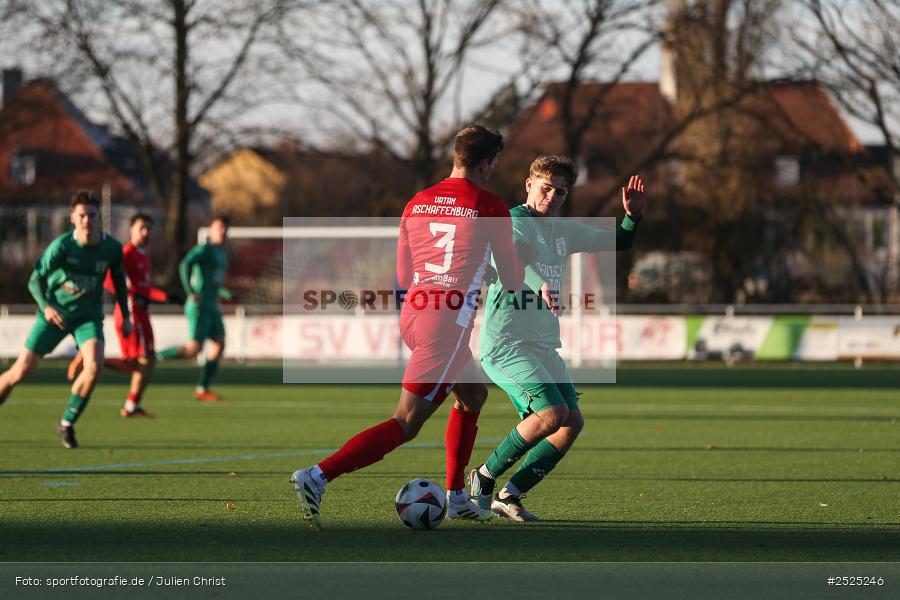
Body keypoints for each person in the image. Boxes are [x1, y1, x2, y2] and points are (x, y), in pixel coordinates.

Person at [290, 125, 525, 529]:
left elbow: (403, 274)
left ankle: (454, 497)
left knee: (472, 395)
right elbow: (513, 278)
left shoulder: (417, 202)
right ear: (486, 164)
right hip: (445, 324)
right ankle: (317, 475)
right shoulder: (490, 207)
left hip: (415, 314)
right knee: (406, 422)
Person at [469, 155, 646, 521]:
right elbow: (515, 262)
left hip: (544, 345)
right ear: (528, 184)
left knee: (571, 422)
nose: (551, 197)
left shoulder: (564, 231)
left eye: (560, 192)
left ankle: (510, 494)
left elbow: (619, 242)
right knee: (552, 413)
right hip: (506, 343)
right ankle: (483, 479)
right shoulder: (513, 222)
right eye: (545, 188)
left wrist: (632, 217)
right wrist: (543, 285)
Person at [0, 189, 132, 448]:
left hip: (88, 319)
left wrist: (125, 315)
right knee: (20, 371)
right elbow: (35, 280)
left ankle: (67, 424)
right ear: (73, 217)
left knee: (94, 366)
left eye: (92, 215)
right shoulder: (61, 246)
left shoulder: (111, 248)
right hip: (54, 316)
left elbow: (118, 281)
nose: (87, 220)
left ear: (98, 218)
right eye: (82, 215)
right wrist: (46, 307)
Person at [67, 213, 184, 416]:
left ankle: (132, 405)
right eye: (142, 228)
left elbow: (144, 288)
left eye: (148, 228)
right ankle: (91, 359)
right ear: (131, 230)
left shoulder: (142, 255)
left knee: (147, 361)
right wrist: (130, 294)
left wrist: (166, 297)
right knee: (138, 363)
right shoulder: (125, 253)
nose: (146, 232)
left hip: (142, 313)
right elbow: (108, 280)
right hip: (130, 313)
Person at [155, 215, 231, 401]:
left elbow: (214, 283)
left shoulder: (221, 254)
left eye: (225, 228)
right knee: (193, 350)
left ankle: (202, 388)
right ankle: (152, 357)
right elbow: (184, 264)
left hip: (212, 306)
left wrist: (227, 294)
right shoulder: (204, 249)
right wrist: (190, 291)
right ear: (211, 230)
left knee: (219, 343)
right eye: (219, 227)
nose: (222, 231)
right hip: (199, 306)